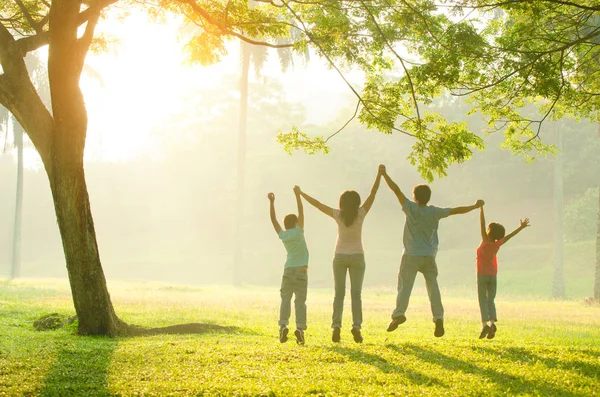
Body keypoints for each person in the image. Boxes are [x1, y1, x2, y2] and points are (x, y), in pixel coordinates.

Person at [380, 164, 483, 337]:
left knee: (405, 287)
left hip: (411, 255)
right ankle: (438, 317)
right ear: (428, 198)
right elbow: (457, 210)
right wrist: (474, 206)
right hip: (429, 255)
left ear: (415, 197)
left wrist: (384, 174)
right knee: (433, 287)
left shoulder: (410, 208)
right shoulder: (435, 212)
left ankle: (399, 314)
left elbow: (396, 190)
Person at [296, 167, 383, 343]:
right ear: (357, 202)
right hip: (358, 256)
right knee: (356, 294)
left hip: (340, 257)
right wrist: (379, 175)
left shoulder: (338, 214)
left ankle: (336, 327)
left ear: (341, 203)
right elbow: (373, 194)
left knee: (339, 294)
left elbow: (318, 205)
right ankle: (356, 327)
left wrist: (301, 193)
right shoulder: (361, 213)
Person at [476, 203, 530, 339]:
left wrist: (481, 209)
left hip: (482, 275)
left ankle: (484, 325)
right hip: (493, 275)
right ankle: (492, 322)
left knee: (482, 299)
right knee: (491, 300)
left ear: (489, 232)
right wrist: (521, 227)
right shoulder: (497, 244)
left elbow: (482, 224)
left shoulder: (485, 241)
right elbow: (510, 236)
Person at [268, 188, 309, 345]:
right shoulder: (299, 232)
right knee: (300, 301)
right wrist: (298, 195)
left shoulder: (284, 235)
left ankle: (283, 326)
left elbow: (273, 220)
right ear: (297, 223)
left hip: (287, 270)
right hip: (301, 271)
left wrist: (272, 203)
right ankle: (299, 329)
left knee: (285, 299)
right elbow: (301, 211)